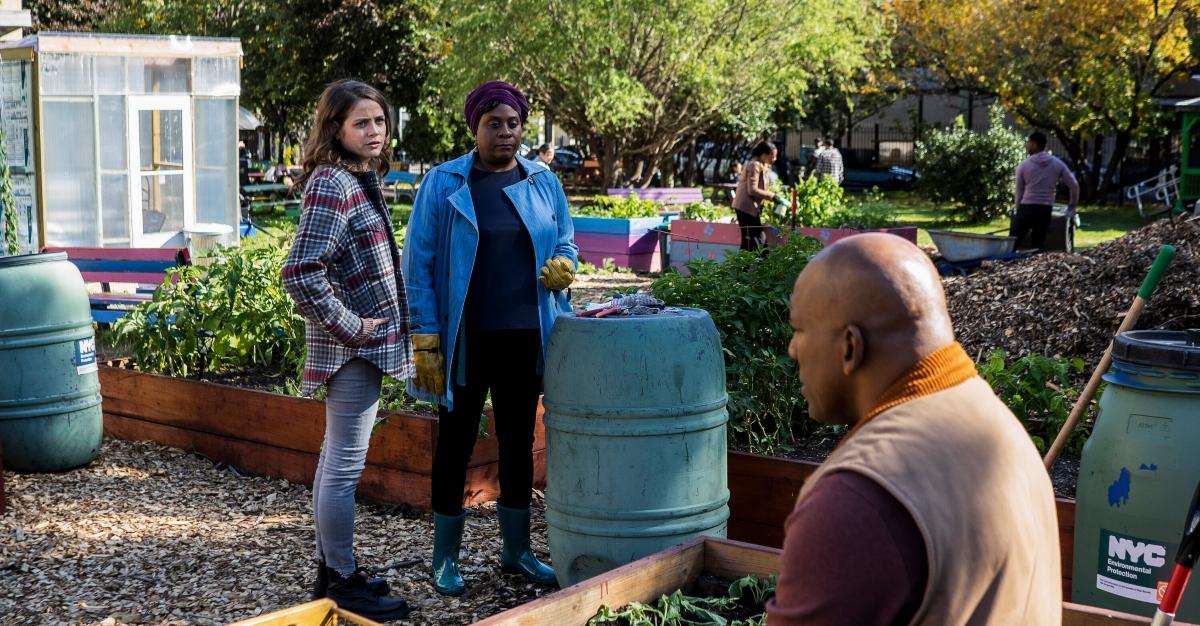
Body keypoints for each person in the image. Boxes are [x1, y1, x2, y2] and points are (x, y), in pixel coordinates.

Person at [767, 233, 1061, 625]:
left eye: (799, 329)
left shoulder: (858, 500)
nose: (792, 349)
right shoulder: (997, 425)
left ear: (850, 347)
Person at [402, 79, 576, 597]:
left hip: (527, 335)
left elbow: (564, 236)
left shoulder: (543, 181)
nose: (505, 133)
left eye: (513, 123)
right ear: (474, 127)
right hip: (464, 340)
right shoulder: (444, 183)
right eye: (493, 123)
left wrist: (565, 262)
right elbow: (421, 264)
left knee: (520, 441)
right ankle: (445, 558)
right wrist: (425, 338)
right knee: (454, 443)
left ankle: (517, 551)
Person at [281, 79, 414, 621]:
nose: (374, 131)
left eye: (379, 120)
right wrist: (354, 327)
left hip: (364, 346)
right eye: (361, 123)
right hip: (353, 350)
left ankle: (330, 571)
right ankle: (341, 579)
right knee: (342, 468)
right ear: (335, 128)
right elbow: (300, 273)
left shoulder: (360, 177)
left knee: (334, 463)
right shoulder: (334, 183)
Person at [1013, 131, 1079, 251]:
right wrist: (1072, 207)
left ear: (1034, 144)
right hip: (1045, 209)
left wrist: (1018, 210)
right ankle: (1036, 267)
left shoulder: (1024, 165)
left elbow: (1019, 192)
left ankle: (1005, 265)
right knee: (1038, 244)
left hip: (1026, 207)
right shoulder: (1058, 164)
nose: (1027, 145)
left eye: (1029, 143)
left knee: (1014, 241)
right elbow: (1074, 185)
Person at [732, 141, 782, 251]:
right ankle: (747, 267)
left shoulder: (762, 166)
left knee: (754, 240)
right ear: (763, 155)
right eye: (772, 156)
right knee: (753, 240)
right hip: (745, 208)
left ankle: (749, 267)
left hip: (751, 209)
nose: (774, 159)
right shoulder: (754, 165)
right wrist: (772, 196)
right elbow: (752, 190)